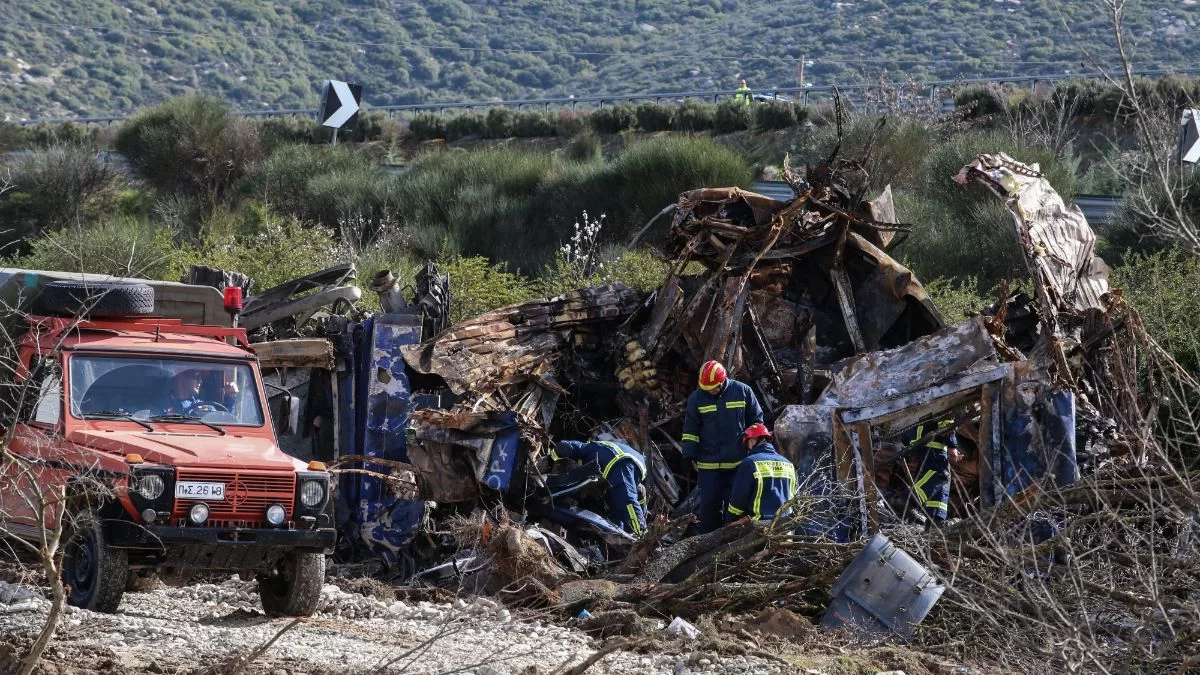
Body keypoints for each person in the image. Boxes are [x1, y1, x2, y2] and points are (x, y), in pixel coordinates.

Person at [681, 360, 764, 533]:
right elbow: (691, 430)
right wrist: (688, 454)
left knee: (737, 507)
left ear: (723, 381)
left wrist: (753, 449)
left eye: (713, 388)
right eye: (706, 388)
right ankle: (709, 545)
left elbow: (757, 422)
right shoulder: (696, 398)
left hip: (738, 465)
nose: (709, 391)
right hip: (708, 466)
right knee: (709, 508)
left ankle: (734, 544)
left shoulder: (743, 391)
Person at [552, 439, 647, 536]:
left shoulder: (618, 475)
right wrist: (552, 459)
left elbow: (628, 501)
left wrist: (642, 537)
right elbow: (563, 446)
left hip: (622, 462)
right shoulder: (580, 449)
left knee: (625, 503)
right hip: (617, 455)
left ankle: (640, 534)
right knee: (618, 504)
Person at [726, 423, 796, 524]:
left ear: (753, 440)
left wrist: (729, 521)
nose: (748, 448)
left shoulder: (750, 463)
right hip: (785, 529)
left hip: (759, 530)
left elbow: (738, 501)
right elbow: (794, 497)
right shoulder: (788, 464)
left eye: (747, 443)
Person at [902, 419, 961, 527]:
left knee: (941, 480)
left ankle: (936, 518)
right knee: (940, 474)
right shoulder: (948, 402)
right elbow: (946, 419)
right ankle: (908, 500)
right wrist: (952, 445)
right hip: (931, 441)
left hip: (922, 439)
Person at [162, 368, 238, 416]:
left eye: (201, 378)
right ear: (181, 377)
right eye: (196, 377)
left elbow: (225, 423)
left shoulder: (203, 406)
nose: (200, 381)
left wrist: (230, 397)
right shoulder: (162, 403)